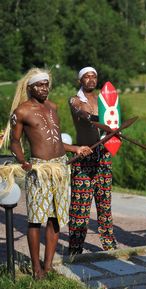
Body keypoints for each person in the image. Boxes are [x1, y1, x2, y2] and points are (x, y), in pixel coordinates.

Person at [1, 68, 92, 279]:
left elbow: (56, 140)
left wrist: (76, 149)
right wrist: (23, 161)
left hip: (60, 168)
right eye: (39, 85)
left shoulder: (53, 107)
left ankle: (49, 265)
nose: (44, 88)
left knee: (55, 218)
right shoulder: (21, 112)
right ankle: (36, 268)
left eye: (46, 84)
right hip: (39, 169)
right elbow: (15, 142)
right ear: (30, 87)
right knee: (35, 220)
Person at [68, 67, 118, 255]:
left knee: (104, 203)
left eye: (93, 76)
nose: (90, 79)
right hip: (84, 156)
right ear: (80, 80)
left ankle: (109, 246)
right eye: (86, 76)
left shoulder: (103, 101)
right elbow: (81, 113)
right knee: (80, 206)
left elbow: (113, 118)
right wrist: (94, 118)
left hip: (103, 156)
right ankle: (75, 249)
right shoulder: (75, 100)